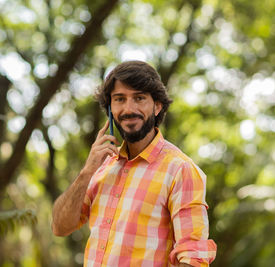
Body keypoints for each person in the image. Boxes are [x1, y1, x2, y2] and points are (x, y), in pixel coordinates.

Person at [52, 61, 217, 267]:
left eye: (139, 98)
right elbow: (60, 227)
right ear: (110, 109)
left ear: (157, 106)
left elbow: (193, 257)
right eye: (119, 99)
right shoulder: (102, 166)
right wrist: (87, 172)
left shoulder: (180, 169)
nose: (129, 109)